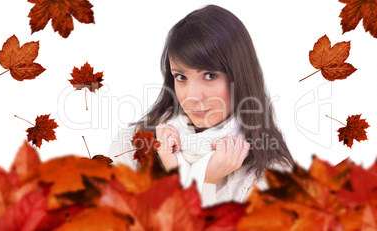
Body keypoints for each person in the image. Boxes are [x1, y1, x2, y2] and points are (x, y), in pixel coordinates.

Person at [107, 4, 294, 207]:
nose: (192, 96)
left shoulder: (271, 177)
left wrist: (203, 184)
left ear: (239, 77)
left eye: (210, 75)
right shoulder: (130, 146)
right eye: (181, 77)